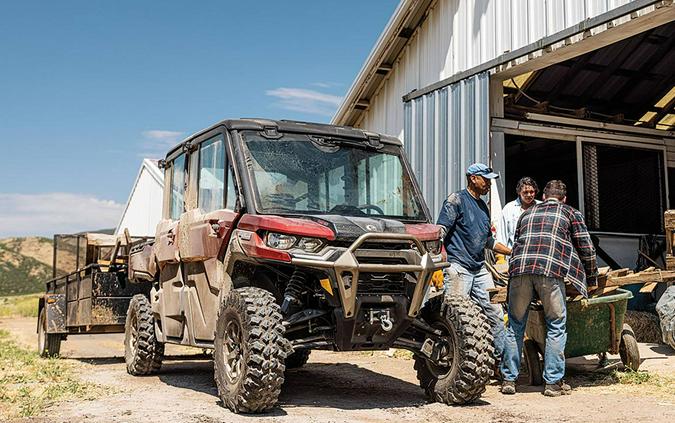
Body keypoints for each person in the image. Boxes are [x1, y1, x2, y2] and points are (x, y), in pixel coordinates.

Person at [500, 180, 598, 397]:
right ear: (564, 199)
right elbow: (587, 248)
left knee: (515, 325)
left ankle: (508, 380)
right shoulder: (570, 213)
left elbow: (517, 243)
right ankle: (553, 384)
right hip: (550, 272)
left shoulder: (527, 213)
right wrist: (591, 279)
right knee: (555, 324)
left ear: (543, 197)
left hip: (519, 270)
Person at [437, 163, 512, 364]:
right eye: (485, 179)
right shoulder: (457, 200)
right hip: (458, 268)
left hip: (479, 269)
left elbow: (489, 241)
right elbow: (441, 231)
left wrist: (512, 251)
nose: (488, 184)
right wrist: (438, 259)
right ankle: (452, 361)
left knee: (496, 313)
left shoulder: (482, 207)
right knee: (456, 317)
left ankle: (499, 364)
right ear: (473, 178)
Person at [496, 177, 541, 250]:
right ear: (519, 192)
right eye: (525, 192)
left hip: (536, 253)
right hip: (515, 254)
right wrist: (501, 258)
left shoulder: (541, 207)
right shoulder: (509, 208)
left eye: (532, 192)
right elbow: (502, 235)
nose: (529, 195)